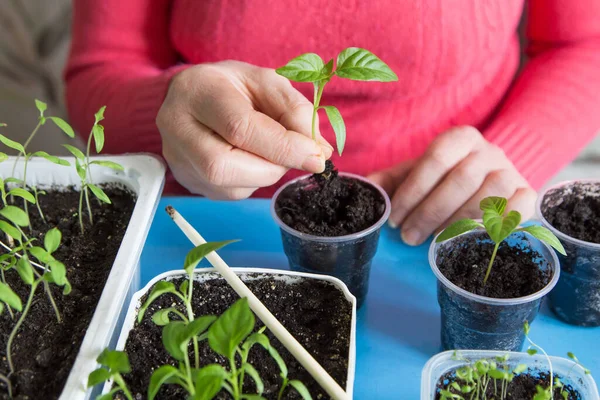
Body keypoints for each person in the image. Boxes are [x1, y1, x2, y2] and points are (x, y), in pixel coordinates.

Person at [65, 0, 600, 246]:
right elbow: (98, 73)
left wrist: (507, 157)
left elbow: (582, 43)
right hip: (212, 218)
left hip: (440, 222)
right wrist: (166, 110)